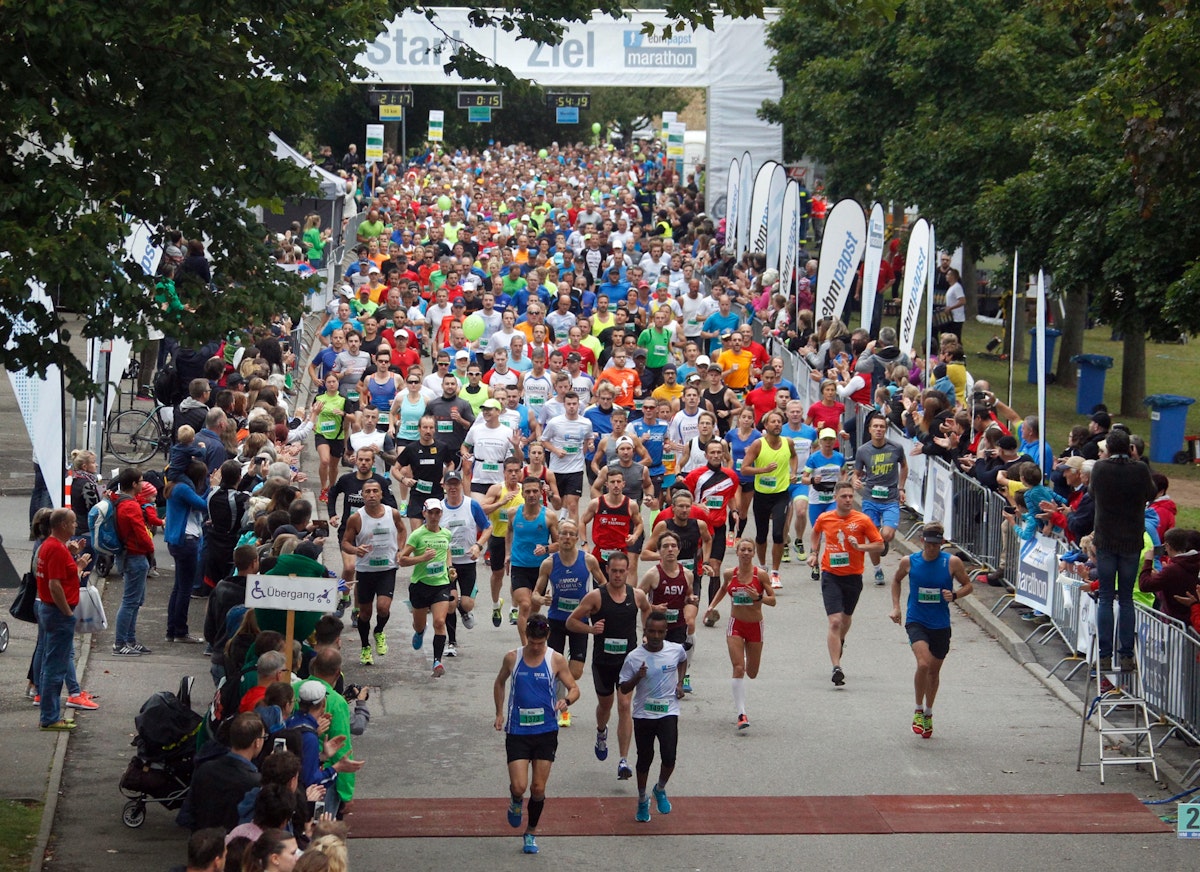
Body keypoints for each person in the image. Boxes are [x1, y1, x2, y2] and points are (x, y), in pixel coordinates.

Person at [493, 613, 581, 856]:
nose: (535, 647)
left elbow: (574, 688)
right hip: (518, 731)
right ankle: (515, 799)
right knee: (520, 786)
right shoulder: (513, 658)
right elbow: (499, 682)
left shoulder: (556, 660)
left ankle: (530, 832)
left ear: (547, 637)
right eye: (531, 642)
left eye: (539, 643)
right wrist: (499, 712)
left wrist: (566, 700)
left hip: (546, 731)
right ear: (527, 637)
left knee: (539, 788)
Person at [566, 552, 652, 783]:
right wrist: (591, 630)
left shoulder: (637, 595)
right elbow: (571, 622)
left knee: (625, 705)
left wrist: (645, 635)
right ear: (607, 571)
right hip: (603, 661)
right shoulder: (596, 597)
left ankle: (623, 760)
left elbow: (647, 610)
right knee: (605, 705)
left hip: (628, 661)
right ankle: (601, 731)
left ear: (628, 571)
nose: (617, 575)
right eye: (613, 571)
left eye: (621, 571)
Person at [889, 523, 972, 739]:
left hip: (941, 624)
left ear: (942, 543)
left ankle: (928, 712)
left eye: (936, 544)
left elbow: (968, 585)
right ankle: (917, 709)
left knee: (934, 672)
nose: (932, 548)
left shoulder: (951, 562)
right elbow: (896, 580)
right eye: (929, 544)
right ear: (922, 541)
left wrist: (955, 596)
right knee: (923, 664)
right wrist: (896, 607)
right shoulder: (910, 562)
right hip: (916, 620)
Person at [1089, 428, 1157, 672]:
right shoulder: (1139, 469)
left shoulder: (1100, 468)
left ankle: (1104, 654)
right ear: (1129, 449)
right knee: (1126, 598)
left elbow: (1091, 492)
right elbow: (1151, 493)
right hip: (1131, 540)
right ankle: (1126, 654)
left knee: (1106, 597)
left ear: (1108, 449)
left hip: (1107, 539)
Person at [807, 481, 884, 687]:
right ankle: (837, 667)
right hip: (830, 574)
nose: (848, 500)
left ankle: (839, 641)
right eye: (844, 496)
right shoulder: (826, 517)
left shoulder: (862, 520)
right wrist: (814, 553)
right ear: (835, 498)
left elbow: (879, 543)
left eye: (851, 496)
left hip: (853, 576)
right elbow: (815, 532)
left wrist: (860, 546)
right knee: (834, 621)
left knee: (846, 618)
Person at [533, 520, 606, 727]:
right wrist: (541, 600)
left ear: (576, 538)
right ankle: (560, 709)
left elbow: (603, 584)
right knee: (556, 669)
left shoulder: (589, 560)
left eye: (570, 534)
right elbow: (535, 594)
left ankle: (560, 696)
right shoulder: (549, 563)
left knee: (575, 672)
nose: (566, 538)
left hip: (580, 621)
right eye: (562, 534)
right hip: (556, 620)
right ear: (559, 537)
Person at [618, 611, 687, 822]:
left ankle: (660, 788)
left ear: (666, 632)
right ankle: (641, 799)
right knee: (644, 759)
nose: (656, 636)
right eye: (652, 631)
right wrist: (638, 677)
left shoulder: (675, 650)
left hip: (668, 711)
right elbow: (623, 686)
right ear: (645, 632)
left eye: (660, 632)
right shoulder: (634, 657)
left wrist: (680, 682)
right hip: (644, 714)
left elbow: (683, 660)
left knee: (669, 756)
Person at [703, 538, 776, 729]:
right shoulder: (729, 574)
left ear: (753, 553)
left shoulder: (760, 576)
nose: (745, 553)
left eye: (749, 550)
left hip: (754, 627)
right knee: (738, 668)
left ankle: (742, 710)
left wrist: (758, 597)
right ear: (737, 552)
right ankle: (741, 714)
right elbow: (722, 589)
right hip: (736, 625)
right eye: (742, 549)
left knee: (751, 673)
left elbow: (773, 600)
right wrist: (711, 606)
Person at [339, 479, 406, 665]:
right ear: (362, 495)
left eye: (375, 491)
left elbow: (402, 531)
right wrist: (355, 550)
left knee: (383, 608)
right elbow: (345, 543)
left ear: (381, 494)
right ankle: (365, 646)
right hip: (366, 570)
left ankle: (379, 631)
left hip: (387, 568)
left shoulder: (392, 514)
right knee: (365, 613)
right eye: (367, 491)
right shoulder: (356, 518)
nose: (371, 495)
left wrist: (400, 550)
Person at [35, 508, 91, 731]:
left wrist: (74, 560)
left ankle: (50, 715)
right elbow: (54, 585)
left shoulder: (49, 546)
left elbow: (60, 577)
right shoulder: (55, 549)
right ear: (63, 526)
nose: (76, 526)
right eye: (73, 522)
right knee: (55, 669)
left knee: (51, 664)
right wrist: (68, 612)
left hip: (49, 610)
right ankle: (50, 718)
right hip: (58, 613)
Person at [636, 530, 700, 694]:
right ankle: (654, 689)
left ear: (678, 550)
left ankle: (677, 685)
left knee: (676, 658)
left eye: (673, 546)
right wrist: (653, 607)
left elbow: (687, 595)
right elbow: (637, 598)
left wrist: (691, 599)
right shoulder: (652, 574)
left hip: (677, 625)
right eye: (665, 546)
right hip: (656, 626)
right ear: (659, 551)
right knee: (656, 661)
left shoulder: (687, 574)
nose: (670, 549)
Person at [740, 411, 798, 588]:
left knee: (778, 534)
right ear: (766, 426)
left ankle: (775, 573)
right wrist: (763, 470)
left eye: (779, 421)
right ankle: (763, 566)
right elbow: (744, 468)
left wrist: (793, 472)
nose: (777, 424)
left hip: (781, 494)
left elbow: (794, 456)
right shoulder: (758, 444)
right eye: (773, 422)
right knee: (761, 534)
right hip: (762, 495)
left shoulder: (788, 442)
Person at [399, 498, 455, 678]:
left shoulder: (446, 533)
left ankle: (437, 661)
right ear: (424, 513)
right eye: (430, 512)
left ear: (441, 514)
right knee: (419, 623)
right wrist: (421, 558)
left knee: (440, 622)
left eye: (437, 512)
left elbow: (447, 551)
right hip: (420, 585)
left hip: (441, 584)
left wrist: (450, 568)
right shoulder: (417, 535)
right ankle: (420, 631)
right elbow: (402, 559)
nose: (434, 516)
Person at [440, 470, 490, 655]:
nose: (453, 487)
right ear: (444, 486)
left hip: (468, 561)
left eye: (456, 483)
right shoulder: (438, 507)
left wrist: (479, 545)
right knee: (450, 602)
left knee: (467, 603)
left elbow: (487, 527)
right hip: (447, 562)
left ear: (462, 485)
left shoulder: (472, 505)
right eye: (449, 484)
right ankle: (451, 643)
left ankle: (465, 610)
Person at [853, 414, 907, 585]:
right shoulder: (863, 450)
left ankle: (884, 541)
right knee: (873, 538)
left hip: (891, 498)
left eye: (882, 427)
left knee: (887, 534)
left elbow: (904, 466)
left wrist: (901, 488)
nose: (878, 429)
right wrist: (855, 479)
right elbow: (857, 472)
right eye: (875, 426)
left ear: (885, 429)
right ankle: (877, 569)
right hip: (870, 499)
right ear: (869, 429)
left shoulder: (896, 448)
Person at [189, 712, 265, 831]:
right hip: (233, 844)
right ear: (257, 742)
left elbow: (190, 812)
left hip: (203, 841)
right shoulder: (254, 782)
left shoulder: (205, 769)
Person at [507, 476, 560, 641]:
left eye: (535, 491)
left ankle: (532, 637)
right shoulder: (513, 513)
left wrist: (545, 548)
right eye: (528, 491)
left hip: (540, 568)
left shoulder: (549, 516)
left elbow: (559, 544)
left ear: (540, 492)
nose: (531, 495)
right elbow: (508, 532)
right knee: (525, 604)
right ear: (522, 493)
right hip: (519, 566)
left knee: (534, 609)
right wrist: (508, 554)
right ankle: (525, 647)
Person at [164, 460, 209, 644]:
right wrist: (211, 487)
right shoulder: (183, 489)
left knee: (178, 587)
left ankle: (172, 629)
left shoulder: (175, 486)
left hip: (179, 540)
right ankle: (180, 631)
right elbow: (203, 504)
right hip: (187, 541)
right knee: (185, 589)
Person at [113, 467, 157, 656]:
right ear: (133, 484)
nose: (143, 484)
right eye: (140, 481)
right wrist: (150, 548)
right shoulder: (130, 506)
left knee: (135, 601)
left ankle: (129, 640)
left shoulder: (122, 501)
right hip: (135, 556)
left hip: (132, 556)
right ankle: (120, 642)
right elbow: (140, 532)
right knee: (131, 602)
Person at [481, 458, 527, 629]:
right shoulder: (497, 489)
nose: (513, 474)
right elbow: (482, 509)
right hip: (498, 538)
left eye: (517, 470)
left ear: (521, 472)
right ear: (504, 472)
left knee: (517, 574)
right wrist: (501, 502)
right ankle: (495, 605)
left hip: (519, 540)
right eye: (510, 471)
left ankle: (514, 608)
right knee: (498, 574)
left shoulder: (526, 490)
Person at [540, 392, 595, 525]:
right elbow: (544, 441)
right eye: (569, 404)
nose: (572, 407)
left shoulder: (585, 423)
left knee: (573, 504)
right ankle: (561, 515)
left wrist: (590, 445)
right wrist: (556, 450)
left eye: (574, 404)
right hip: (557, 468)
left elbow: (589, 437)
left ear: (578, 405)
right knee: (557, 505)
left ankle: (573, 535)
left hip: (575, 468)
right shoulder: (555, 423)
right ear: (564, 405)